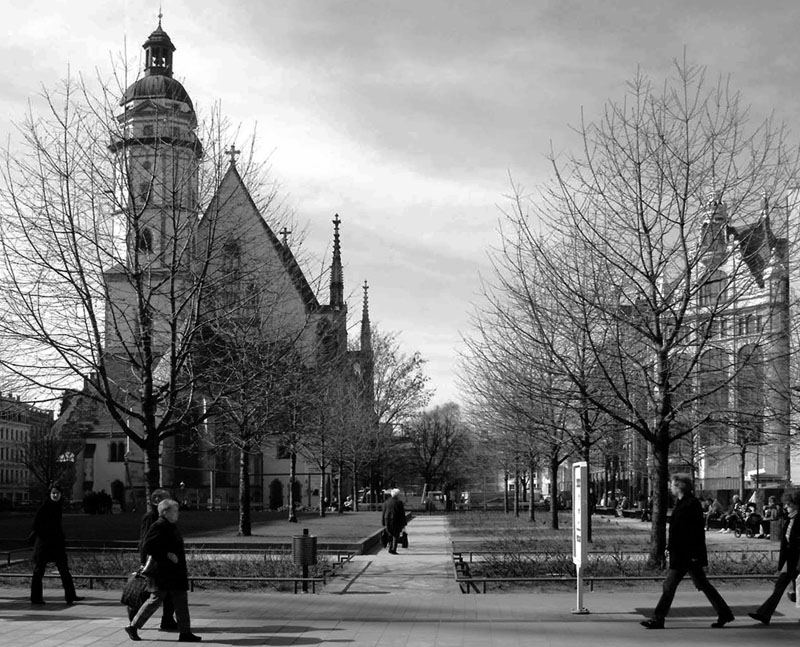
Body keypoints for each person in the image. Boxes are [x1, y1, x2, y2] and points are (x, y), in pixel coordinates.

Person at [640, 474, 734, 629]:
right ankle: (724, 613)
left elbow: (693, 532)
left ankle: (658, 618)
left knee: (669, 586)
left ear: (679, 486)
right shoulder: (684, 502)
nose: (670, 487)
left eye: (672, 485)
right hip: (684, 554)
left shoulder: (690, 504)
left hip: (686, 555)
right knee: (702, 585)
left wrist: (693, 555)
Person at [125, 499, 201, 642]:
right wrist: (166, 554)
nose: (177, 513)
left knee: (181, 601)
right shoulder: (159, 526)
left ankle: (185, 632)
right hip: (163, 573)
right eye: (174, 511)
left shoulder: (170, 525)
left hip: (174, 572)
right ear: (165, 512)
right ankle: (133, 626)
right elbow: (147, 546)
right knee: (155, 600)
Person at [747, 490, 800, 625]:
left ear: (796, 505)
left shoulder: (798, 520)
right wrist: (781, 565)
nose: (785, 507)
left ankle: (764, 613)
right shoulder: (790, 519)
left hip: (798, 561)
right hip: (791, 561)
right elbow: (785, 545)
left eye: (788, 504)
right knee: (780, 586)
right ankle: (764, 614)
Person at [129, 488, 177, 630]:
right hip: (156, 562)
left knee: (167, 593)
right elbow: (146, 542)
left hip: (164, 562)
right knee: (154, 594)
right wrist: (144, 562)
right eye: (166, 499)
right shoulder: (151, 517)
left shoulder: (166, 517)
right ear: (157, 501)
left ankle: (167, 620)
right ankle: (135, 619)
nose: (170, 502)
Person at [29, 483, 83, 605]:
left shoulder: (57, 506)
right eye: (53, 493)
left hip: (56, 544)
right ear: (49, 494)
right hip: (44, 544)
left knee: (64, 570)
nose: (55, 495)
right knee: (39, 571)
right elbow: (36, 525)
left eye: (57, 493)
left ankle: (71, 595)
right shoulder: (45, 507)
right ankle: (36, 598)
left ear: (60, 494)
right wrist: (47, 535)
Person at [381, 488, 406, 555]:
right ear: (397, 495)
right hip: (396, 520)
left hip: (387, 520)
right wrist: (404, 523)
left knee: (390, 534)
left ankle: (390, 547)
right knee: (396, 534)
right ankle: (393, 549)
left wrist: (383, 522)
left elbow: (384, 512)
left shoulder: (386, 502)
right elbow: (402, 514)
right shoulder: (399, 502)